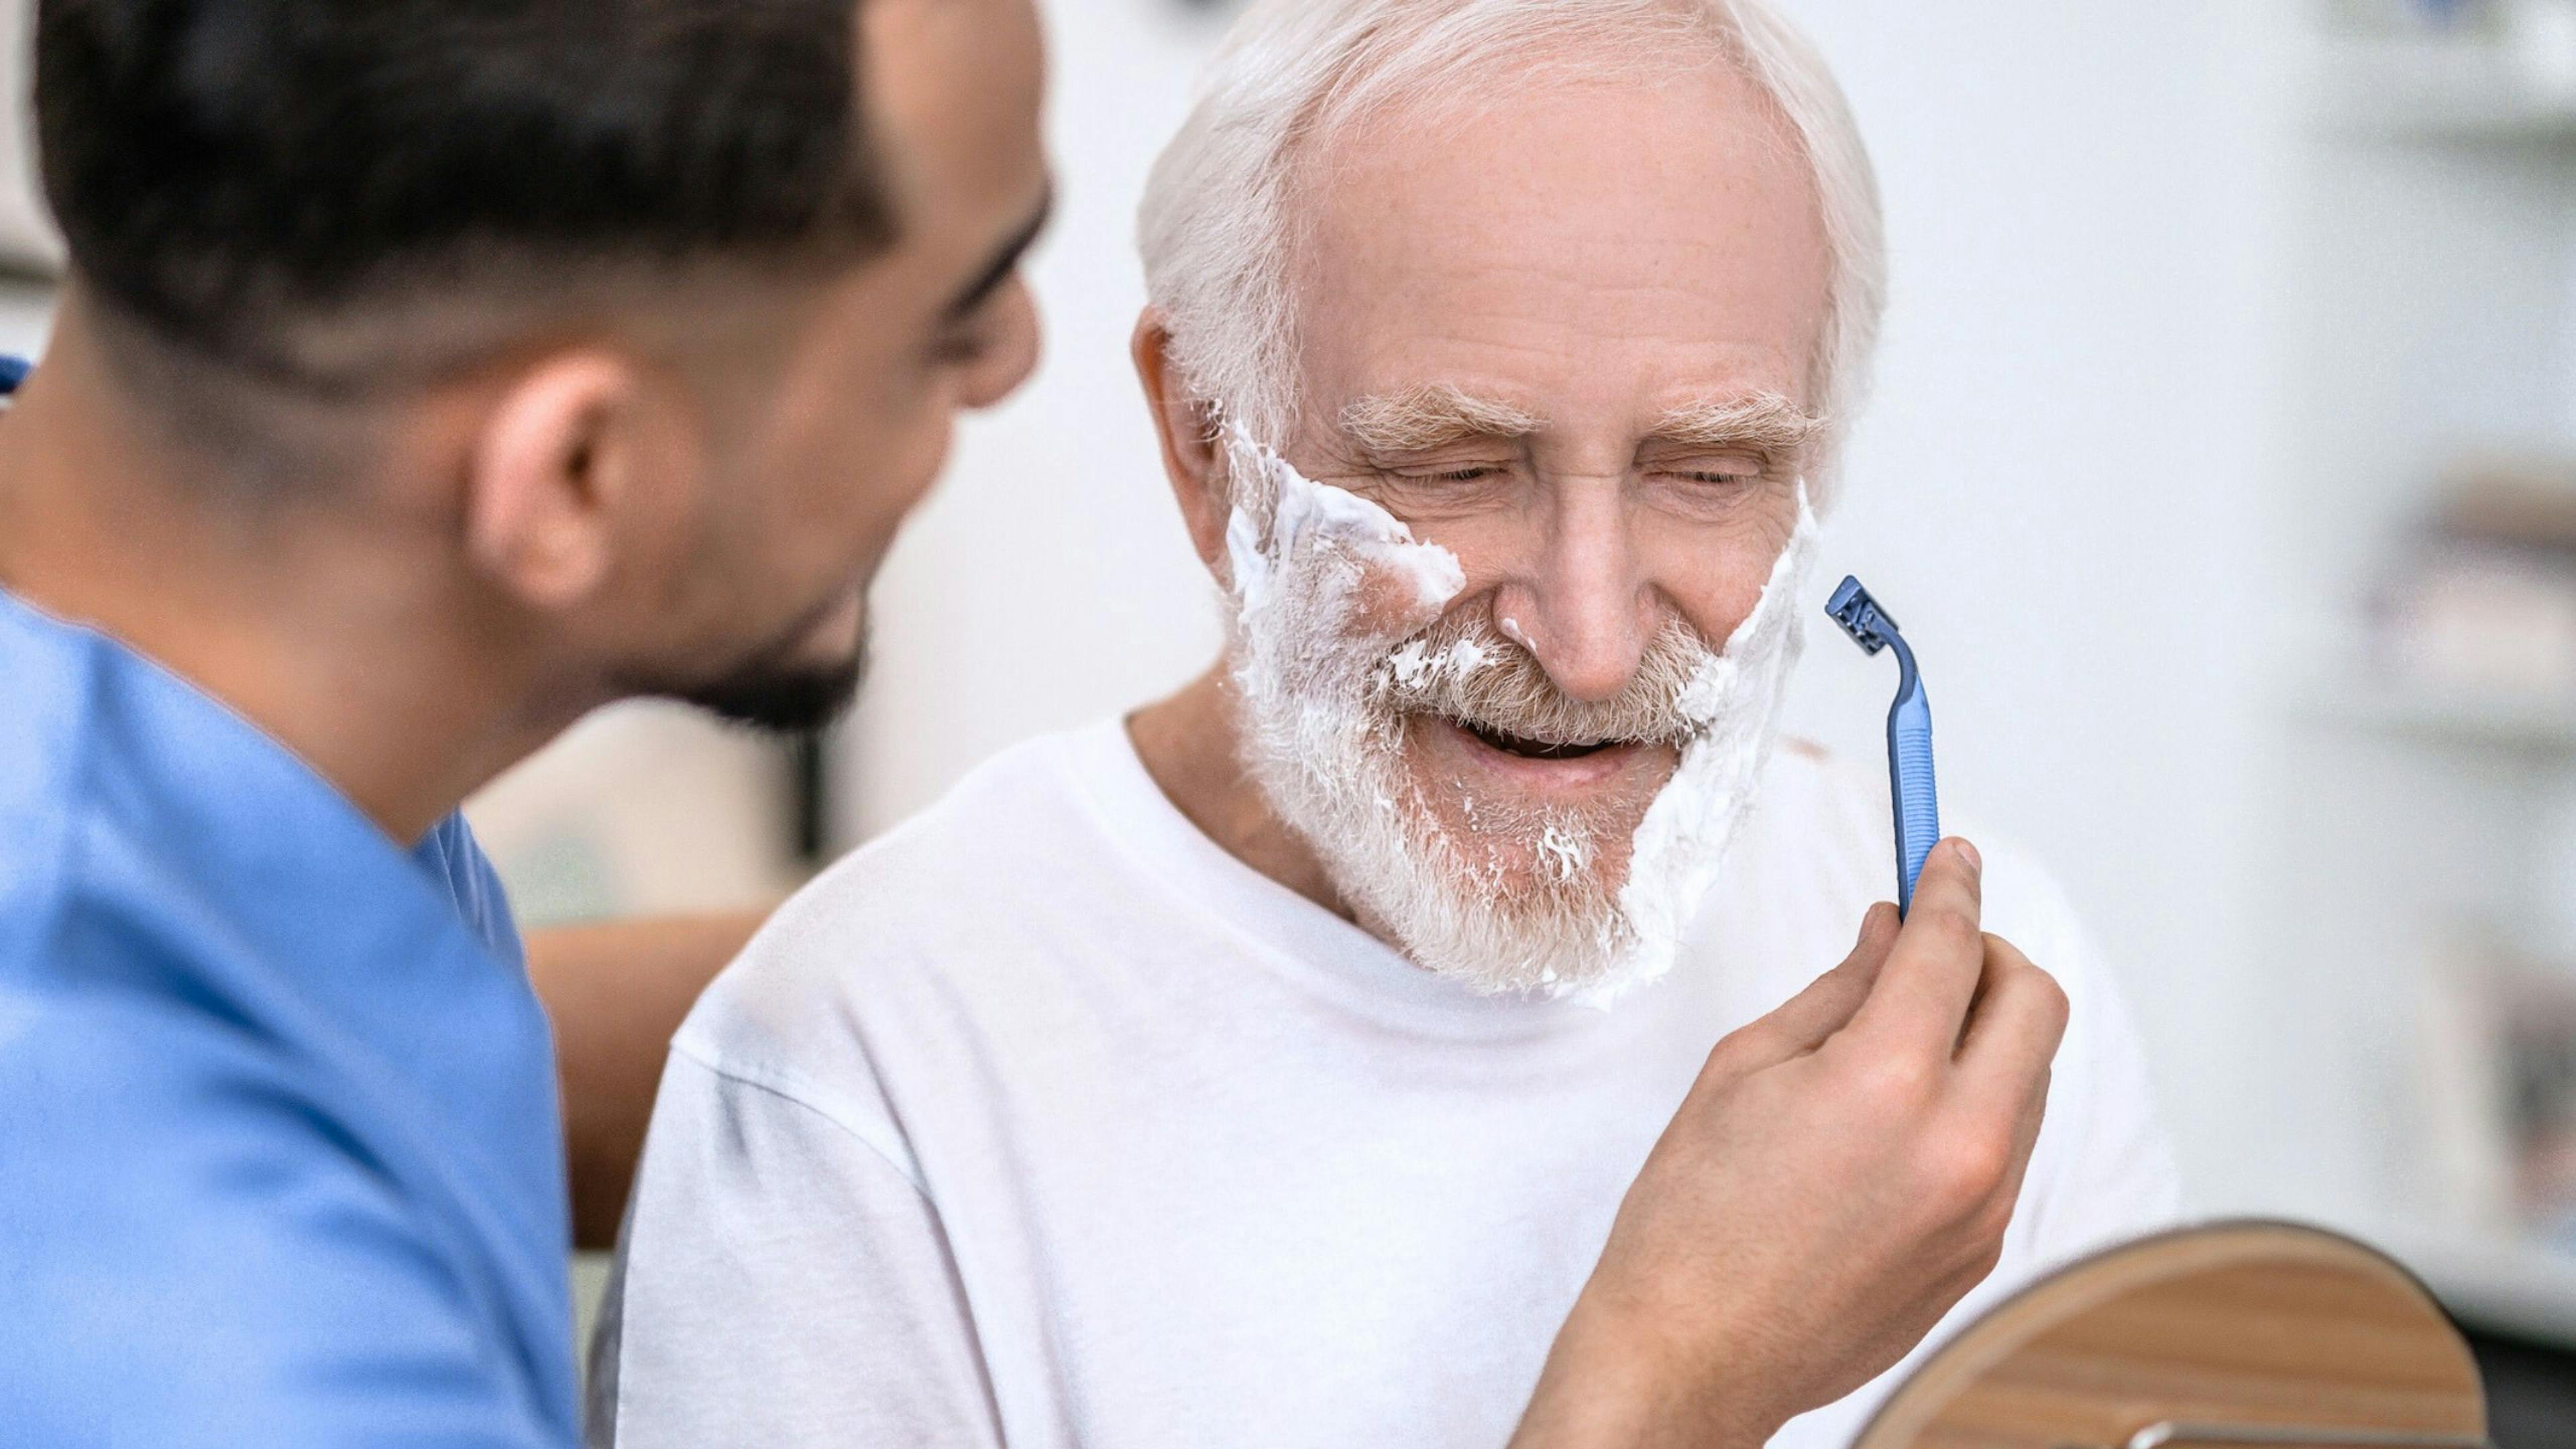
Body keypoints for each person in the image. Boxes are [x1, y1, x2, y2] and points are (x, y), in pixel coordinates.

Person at [595, 1, 2179, 1447]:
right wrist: (1665, 1390)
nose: (1589, 635)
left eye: (1707, 469)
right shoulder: (859, 1081)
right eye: (1460, 466)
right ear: (1204, 441)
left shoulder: (1983, 1026)